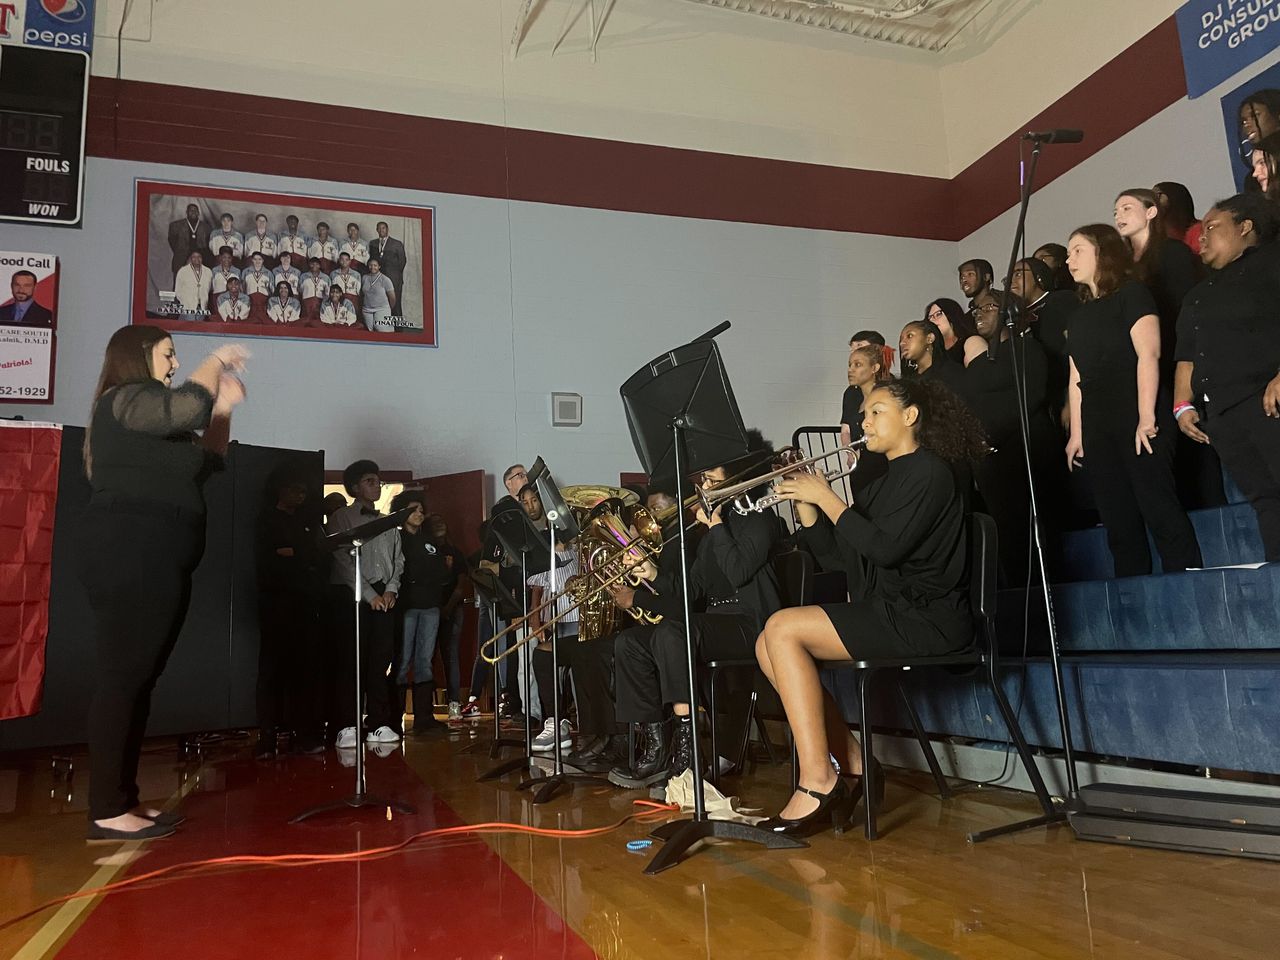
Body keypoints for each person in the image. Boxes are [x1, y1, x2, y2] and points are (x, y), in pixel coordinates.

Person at [757, 377, 986, 836]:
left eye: (876, 411)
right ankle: (858, 765)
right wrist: (808, 507)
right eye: (863, 414)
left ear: (911, 416)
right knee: (767, 645)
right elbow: (840, 559)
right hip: (891, 611)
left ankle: (819, 781)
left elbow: (886, 550)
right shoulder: (881, 484)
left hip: (930, 619)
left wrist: (829, 497)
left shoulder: (932, 473)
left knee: (782, 628)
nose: (864, 421)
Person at [79, 326, 248, 840]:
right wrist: (216, 359)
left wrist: (225, 408)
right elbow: (188, 407)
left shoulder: (155, 425)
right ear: (138, 355)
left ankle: (122, 800)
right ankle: (107, 809)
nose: (175, 364)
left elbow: (210, 459)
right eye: (168, 353)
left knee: (139, 678)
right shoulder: (128, 398)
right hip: (132, 550)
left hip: (160, 554)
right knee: (122, 677)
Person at [607, 462, 780, 790]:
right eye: (703, 477)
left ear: (738, 477)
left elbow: (739, 569)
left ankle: (688, 753)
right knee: (629, 643)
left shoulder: (761, 519)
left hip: (752, 624)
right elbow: (693, 589)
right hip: (715, 622)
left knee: (673, 632)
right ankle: (657, 749)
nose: (704, 482)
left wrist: (715, 525)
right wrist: (652, 573)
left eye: (713, 475)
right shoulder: (710, 535)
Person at [1064, 224, 1202, 577]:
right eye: (1068, 252)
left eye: (1078, 249)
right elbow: (1076, 377)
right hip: (1098, 420)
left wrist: (1145, 417)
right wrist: (1077, 434)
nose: (1069, 259)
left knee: (1157, 506)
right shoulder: (1078, 315)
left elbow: (1148, 354)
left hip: (1137, 408)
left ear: (1103, 252)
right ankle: (1136, 598)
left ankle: (1188, 585)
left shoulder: (1133, 294)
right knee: (1116, 517)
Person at [1176, 193, 1280, 560]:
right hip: (1221, 414)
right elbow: (1186, 355)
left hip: (1266, 402)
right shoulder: (1196, 295)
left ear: (1245, 226)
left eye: (1212, 227)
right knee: (1264, 499)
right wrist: (1182, 405)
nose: (1201, 237)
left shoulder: (1271, 262)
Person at [1114, 188, 1223, 510]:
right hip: (1142, 368)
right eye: (1115, 211)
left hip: (1178, 360)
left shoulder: (1172, 253)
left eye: (1127, 208)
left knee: (1195, 448)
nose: (1119, 215)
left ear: (1151, 212)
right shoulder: (1121, 270)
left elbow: (1188, 309)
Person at [958, 288, 1060, 585]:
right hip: (990, 459)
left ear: (1009, 313)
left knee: (1038, 534)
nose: (978, 313)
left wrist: (990, 435)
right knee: (1008, 536)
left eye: (987, 307)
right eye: (975, 309)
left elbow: (1031, 395)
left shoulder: (1027, 348)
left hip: (1025, 448)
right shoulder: (979, 363)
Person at [326, 460, 405, 747]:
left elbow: (398, 559)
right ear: (355, 487)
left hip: (384, 595)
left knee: (379, 661)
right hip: (353, 595)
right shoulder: (341, 518)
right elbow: (343, 560)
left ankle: (379, 723)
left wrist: (391, 589)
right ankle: (347, 724)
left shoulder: (388, 520)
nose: (377, 486)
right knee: (351, 660)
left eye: (378, 481)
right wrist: (369, 594)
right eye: (370, 481)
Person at [255, 476, 326, 759]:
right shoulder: (266, 519)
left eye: (304, 490)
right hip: (274, 603)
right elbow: (269, 559)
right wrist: (303, 554)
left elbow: (320, 554)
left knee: (304, 671)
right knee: (271, 671)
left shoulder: (307, 521)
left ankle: (304, 735)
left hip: (306, 603)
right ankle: (267, 737)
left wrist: (295, 552)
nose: (300, 494)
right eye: (295, 488)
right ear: (280, 489)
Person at [391, 490, 448, 734]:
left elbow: (441, 573)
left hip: (430, 606)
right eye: (413, 509)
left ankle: (424, 717)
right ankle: (394, 718)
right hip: (406, 607)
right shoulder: (396, 538)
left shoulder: (430, 540)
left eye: (421, 509)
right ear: (401, 512)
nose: (420, 513)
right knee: (402, 661)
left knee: (425, 661)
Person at [1009, 257, 1075, 426]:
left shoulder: (1060, 300)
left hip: (1068, 388)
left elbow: (1077, 348)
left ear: (1039, 277)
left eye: (1018, 274)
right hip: (1041, 399)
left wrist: (1071, 399)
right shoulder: (1014, 317)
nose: (1011, 281)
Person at [839, 330, 886, 453]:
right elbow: (846, 430)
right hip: (861, 459)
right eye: (850, 365)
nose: (850, 370)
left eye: (859, 346)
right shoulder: (851, 393)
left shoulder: (887, 392)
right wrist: (850, 454)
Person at [1154, 182, 1204, 255]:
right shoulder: (1156, 233)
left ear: (1173, 197)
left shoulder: (1198, 230)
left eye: (1157, 195)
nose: (1152, 200)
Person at [923, 299, 976, 365]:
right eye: (930, 318)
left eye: (938, 314)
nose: (933, 320)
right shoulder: (933, 355)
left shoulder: (971, 342)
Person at [371, 221, 407, 315]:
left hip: (394, 279)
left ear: (387, 229)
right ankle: (382, 326)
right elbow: (371, 260)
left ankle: (398, 328)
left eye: (383, 228)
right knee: (379, 302)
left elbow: (402, 261)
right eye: (379, 228)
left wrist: (394, 274)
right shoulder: (373, 243)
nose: (381, 230)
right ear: (376, 230)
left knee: (395, 303)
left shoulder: (397, 243)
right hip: (378, 279)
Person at [167, 203, 210, 276]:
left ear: (198, 213)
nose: (193, 212)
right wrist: (180, 251)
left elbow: (208, 244)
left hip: (200, 258)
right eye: (191, 210)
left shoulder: (206, 227)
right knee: (179, 282)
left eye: (195, 210)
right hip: (182, 258)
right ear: (186, 212)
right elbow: (172, 240)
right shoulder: (176, 226)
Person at [361, 257, 397, 331]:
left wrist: (387, 309)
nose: (372, 267)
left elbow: (392, 298)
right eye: (370, 265)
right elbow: (362, 294)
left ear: (379, 266)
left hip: (381, 309)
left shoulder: (385, 279)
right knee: (370, 330)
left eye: (375, 265)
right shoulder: (364, 278)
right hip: (367, 309)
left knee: (380, 328)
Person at [173, 251, 211, 318]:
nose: (197, 259)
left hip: (202, 307)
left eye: (199, 256)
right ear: (190, 258)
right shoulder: (183, 271)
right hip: (188, 306)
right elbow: (177, 290)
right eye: (194, 257)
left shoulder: (208, 271)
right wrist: (184, 302)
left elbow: (209, 288)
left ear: (202, 258)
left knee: (199, 327)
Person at [241, 252, 274, 325]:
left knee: (263, 320)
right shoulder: (246, 272)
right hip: (250, 299)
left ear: (263, 260)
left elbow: (272, 289)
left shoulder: (268, 273)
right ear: (252, 260)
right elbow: (242, 287)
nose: (257, 261)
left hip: (263, 301)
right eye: (255, 259)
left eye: (260, 259)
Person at [300, 257, 331, 323]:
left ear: (320, 265)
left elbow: (328, 292)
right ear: (309, 265)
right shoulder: (303, 276)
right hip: (307, 302)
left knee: (319, 322)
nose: (314, 266)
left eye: (316, 264)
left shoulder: (326, 277)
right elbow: (300, 290)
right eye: (312, 264)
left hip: (321, 302)